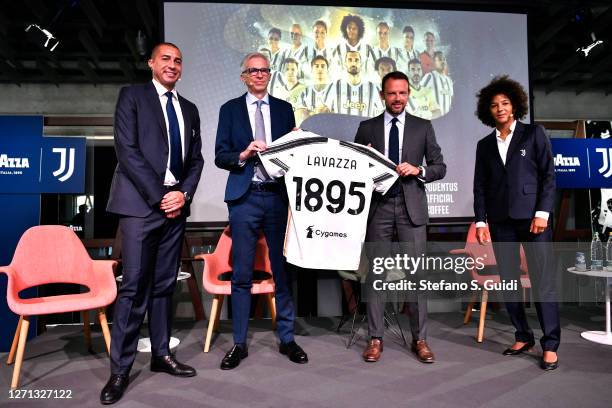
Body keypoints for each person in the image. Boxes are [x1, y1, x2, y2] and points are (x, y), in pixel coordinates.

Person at [101, 42, 204, 404]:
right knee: (133, 288)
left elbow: (196, 160)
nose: (173, 65)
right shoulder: (132, 96)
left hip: (175, 210)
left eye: (178, 60)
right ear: (151, 63)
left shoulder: (189, 109)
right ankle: (120, 371)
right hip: (141, 207)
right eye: (166, 59)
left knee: (163, 286)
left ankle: (161, 355)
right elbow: (126, 150)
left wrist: (184, 194)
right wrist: (161, 194)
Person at [214, 51, 308, 370]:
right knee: (242, 273)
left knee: (282, 271)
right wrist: (243, 153)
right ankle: (239, 344)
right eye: (252, 71)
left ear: (270, 75)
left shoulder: (284, 109)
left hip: (278, 197)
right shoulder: (229, 110)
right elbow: (220, 155)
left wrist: (297, 145)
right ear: (244, 76)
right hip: (244, 197)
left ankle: (287, 338)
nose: (258, 75)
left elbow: (294, 156)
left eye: (264, 70)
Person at [354, 71, 446, 363]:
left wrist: (419, 171)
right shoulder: (366, 128)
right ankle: (375, 338)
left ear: (409, 94)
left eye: (402, 93)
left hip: (411, 209)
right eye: (392, 93)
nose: (397, 98)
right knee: (376, 276)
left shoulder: (423, 126)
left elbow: (439, 166)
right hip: (378, 208)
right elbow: (353, 170)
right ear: (382, 95)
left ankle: (420, 340)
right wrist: (363, 161)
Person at [473, 75, 560, 371]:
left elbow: (548, 176)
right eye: (494, 105)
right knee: (509, 283)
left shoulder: (534, 134)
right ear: (488, 110)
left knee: (542, 283)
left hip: (534, 221)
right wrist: (481, 222)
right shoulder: (484, 145)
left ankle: (550, 344)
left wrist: (543, 214)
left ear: (515, 105)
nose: (500, 108)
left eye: (505, 103)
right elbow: (480, 187)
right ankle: (523, 336)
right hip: (500, 223)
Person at [324, 50, 383, 117]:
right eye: (350, 60)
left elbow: (383, 110)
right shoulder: (334, 86)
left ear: (361, 63)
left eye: (356, 60)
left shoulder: (373, 87)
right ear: (345, 63)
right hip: (341, 127)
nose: (353, 63)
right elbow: (324, 110)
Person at [295, 55, 331, 124]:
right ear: (311, 70)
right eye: (316, 66)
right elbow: (299, 116)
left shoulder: (334, 90)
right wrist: (315, 113)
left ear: (327, 70)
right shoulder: (304, 92)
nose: (320, 69)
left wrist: (328, 112)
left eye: (323, 66)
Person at [421, 51, 453, 116]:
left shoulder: (449, 81)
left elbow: (450, 99)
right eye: (440, 59)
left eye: (444, 59)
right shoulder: (430, 77)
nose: (443, 62)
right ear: (434, 62)